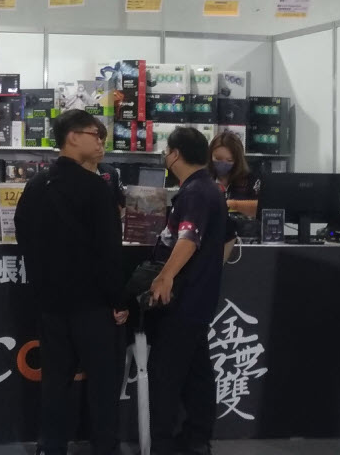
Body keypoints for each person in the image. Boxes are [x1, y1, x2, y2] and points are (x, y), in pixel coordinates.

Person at [14, 110, 128, 455]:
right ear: (73, 137)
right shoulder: (96, 188)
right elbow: (110, 251)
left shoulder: (36, 186)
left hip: (50, 304)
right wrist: (119, 300)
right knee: (103, 384)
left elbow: (23, 235)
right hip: (92, 305)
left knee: (55, 383)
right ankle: (105, 447)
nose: (101, 142)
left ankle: (51, 446)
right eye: (96, 134)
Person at [146, 126, 228, 455]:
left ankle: (162, 443)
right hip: (199, 297)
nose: (165, 156)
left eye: (167, 151)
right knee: (197, 372)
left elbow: (188, 238)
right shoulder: (208, 189)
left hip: (183, 298)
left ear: (176, 154)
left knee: (166, 373)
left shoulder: (195, 192)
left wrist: (165, 276)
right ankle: (196, 437)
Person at [208, 131, 259, 217]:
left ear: (237, 160)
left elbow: (261, 209)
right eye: (218, 159)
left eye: (229, 160)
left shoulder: (251, 181)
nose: (223, 164)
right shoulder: (202, 180)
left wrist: (233, 205)